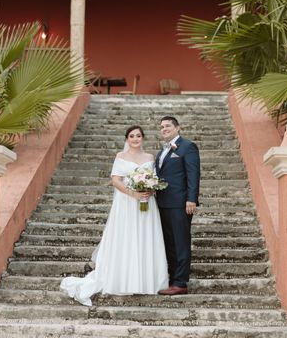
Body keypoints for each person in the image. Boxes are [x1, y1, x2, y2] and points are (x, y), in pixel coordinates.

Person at [60, 125, 168, 306]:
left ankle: (147, 281)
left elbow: (154, 179)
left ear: (143, 138)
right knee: (126, 237)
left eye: (138, 136)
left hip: (146, 202)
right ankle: (123, 279)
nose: (135, 139)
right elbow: (116, 180)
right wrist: (133, 194)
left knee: (145, 238)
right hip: (126, 203)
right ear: (127, 139)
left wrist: (149, 189)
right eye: (132, 136)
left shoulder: (150, 157)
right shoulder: (121, 156)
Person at [155, 115, 200, 296]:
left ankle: (181, 282)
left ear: (177, 128)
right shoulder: (162, 151)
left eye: (168, 126)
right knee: (169, 243)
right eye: (162, 127)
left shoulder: (187, 147)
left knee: (181, 242)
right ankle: (173, 279)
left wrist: (192, 199)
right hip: (163, 203)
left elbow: (193, 174)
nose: (164, 129)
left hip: (181, 203)